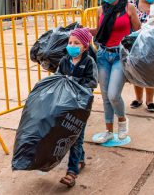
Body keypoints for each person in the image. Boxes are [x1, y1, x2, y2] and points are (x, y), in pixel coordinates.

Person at [90, 0, 141, 144]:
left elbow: (138, 32)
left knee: (113, 95)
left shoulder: (129, 8)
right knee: (104, 96)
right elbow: (99, 32)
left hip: (120, 56)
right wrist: (82, 30)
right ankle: (108, 131)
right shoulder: (100, 9)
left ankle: (122, 120)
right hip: (103, 55)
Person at [58, 28, 98, 188]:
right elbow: (57, 77)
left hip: (81, 107)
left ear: (85, 46)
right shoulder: (64, 61)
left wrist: (74, 81)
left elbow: (93, 82)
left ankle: (72, 172)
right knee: (71, 135)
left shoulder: (89, 62)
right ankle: (80, 160)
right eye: (70, 43)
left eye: (76, 43)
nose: (72, 46)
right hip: (66, 104)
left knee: (75, 139)